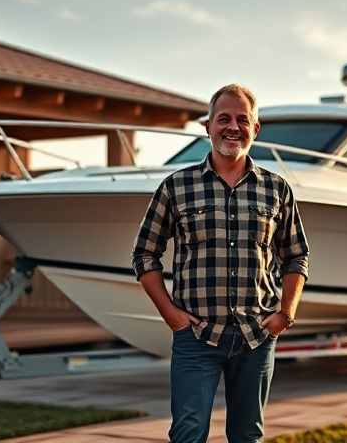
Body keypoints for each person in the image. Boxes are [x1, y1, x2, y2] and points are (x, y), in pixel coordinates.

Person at [132, 83, 310, 442]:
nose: (233, 127)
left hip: (256, 336)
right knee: (188, 434)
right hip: (196, 337)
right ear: (208, 126)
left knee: (247, 436)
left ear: (255, 129)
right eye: (224, 119)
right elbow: (144, 254)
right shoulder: (175, 187)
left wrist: (285, 314)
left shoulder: (277, 189)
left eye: (242, 120)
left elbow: (296, 255)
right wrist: (170, 314)